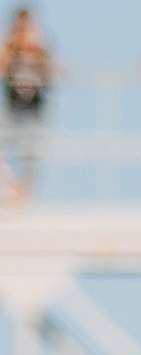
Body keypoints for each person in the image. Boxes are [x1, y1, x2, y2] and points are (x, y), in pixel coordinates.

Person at [0, 9, 52, 208]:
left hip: (34, 106)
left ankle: (25, 195)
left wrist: (37, 50)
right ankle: (12, 188)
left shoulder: (41, 47)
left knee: (31, 152)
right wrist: (14, 47)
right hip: (12, 105)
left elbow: (53, 71)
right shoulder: (9, 46)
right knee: (5, 147)